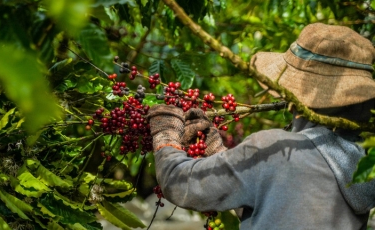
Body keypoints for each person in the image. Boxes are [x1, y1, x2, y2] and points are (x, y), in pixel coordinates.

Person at [147, 23, 375, 229]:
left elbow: (178, 183)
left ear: (294, 98)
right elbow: (276, 206)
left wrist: (165, 133)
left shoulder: (275, 149)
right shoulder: (364, 167)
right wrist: (218, 152)